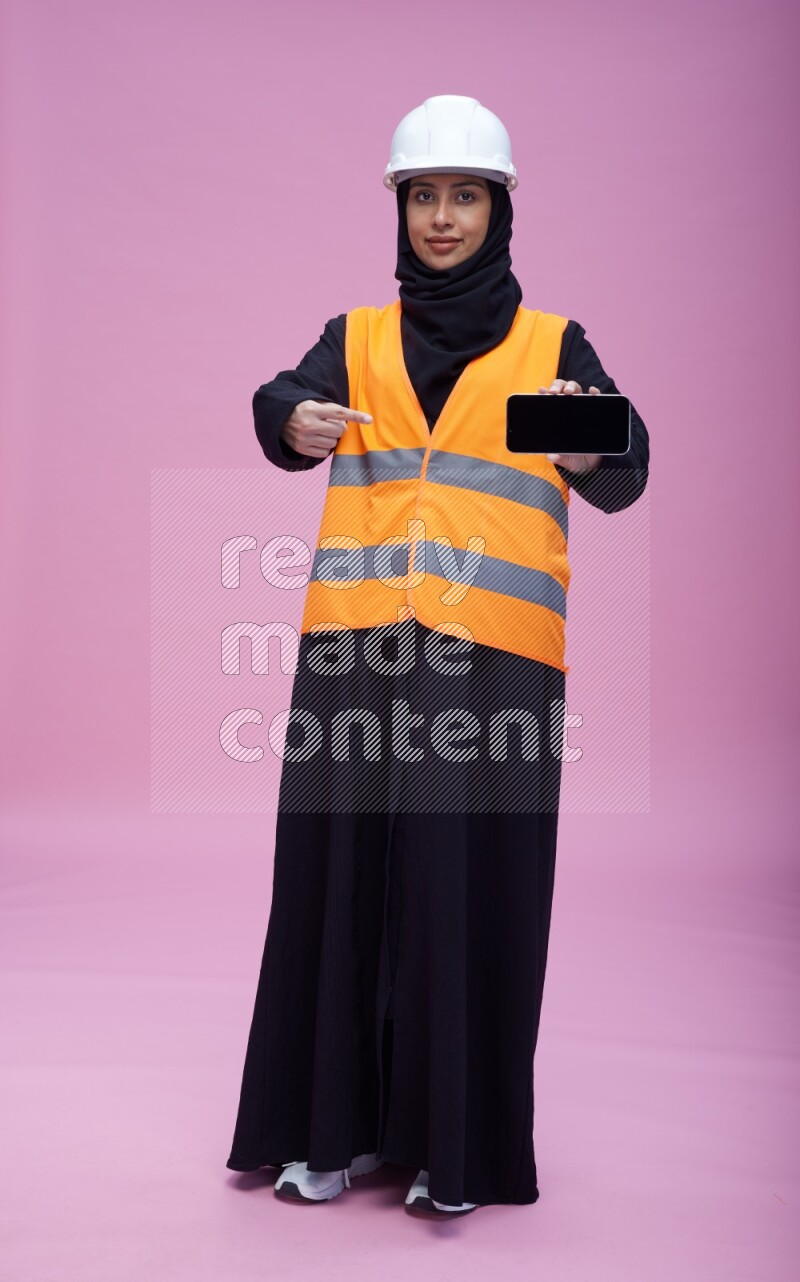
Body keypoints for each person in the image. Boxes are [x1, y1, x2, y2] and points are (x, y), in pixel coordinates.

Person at [225, 95, 650, 1216]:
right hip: (353, 650)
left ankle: (449, 1152)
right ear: (400, 208)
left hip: (496, 659)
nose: (443, 217)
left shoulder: (550, 346)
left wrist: (581, 428)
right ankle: (329, 1135)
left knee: (470, 891)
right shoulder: (355, 335)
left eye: (465, 195)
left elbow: (627, 463)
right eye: (424, 196)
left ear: (498, 207)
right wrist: (288, 424)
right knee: (335, 882)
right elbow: (280, 401)